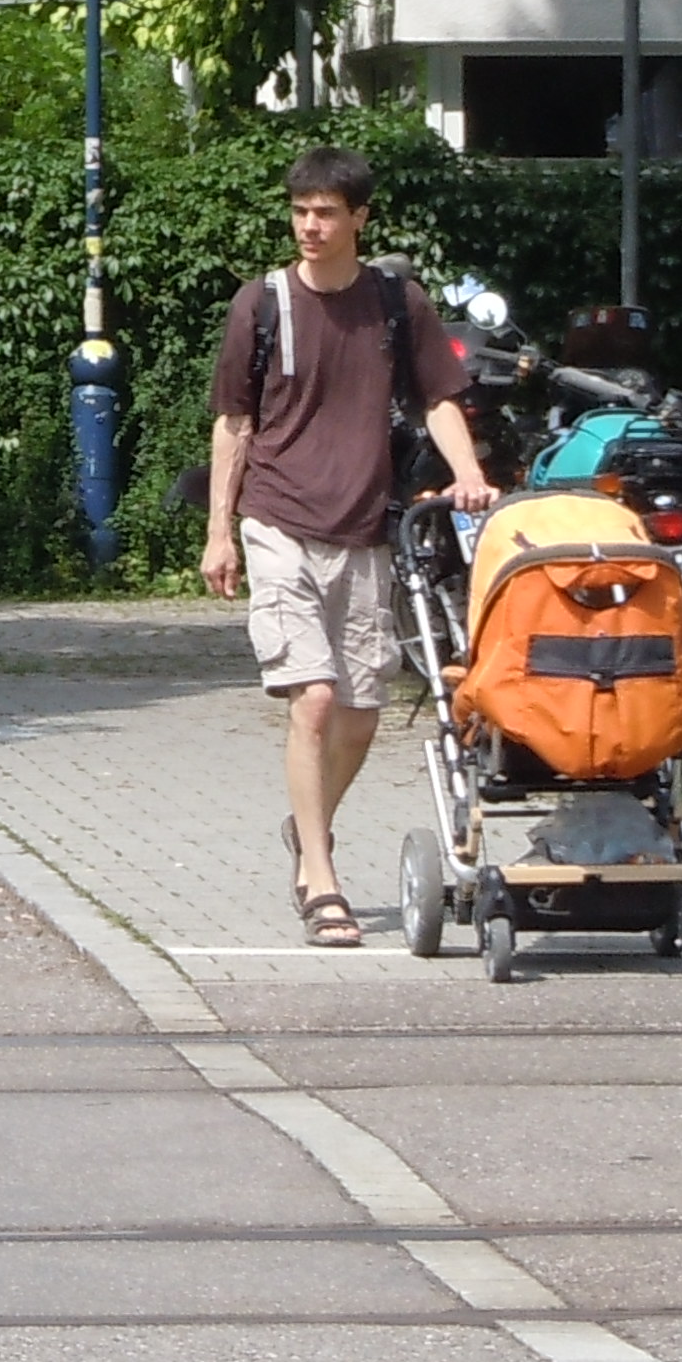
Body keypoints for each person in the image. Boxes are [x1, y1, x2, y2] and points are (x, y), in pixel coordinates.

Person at [201, 147, 495, 949]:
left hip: (364, 530)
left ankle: (307, 826)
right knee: (316, 698)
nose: (310, 225)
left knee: (362, 714)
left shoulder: (396, 304)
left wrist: (469, 473)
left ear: (359, 218)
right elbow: (234, 423)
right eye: (300, 211)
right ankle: (322, 880)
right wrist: (220, 532)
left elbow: (438, 398)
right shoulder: (262, 303)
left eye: (326, 212)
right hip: (278, 521)